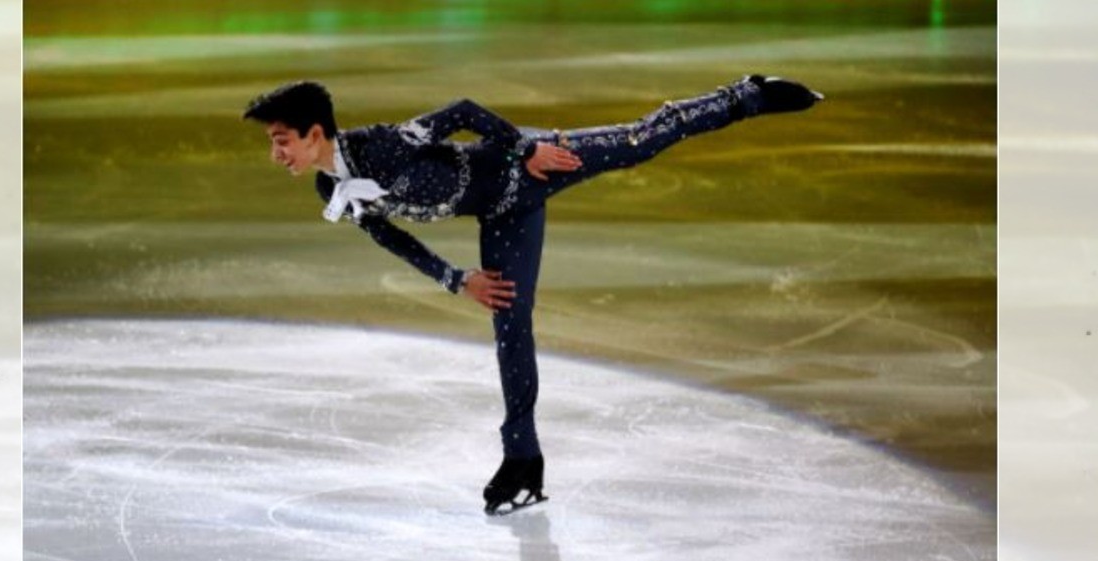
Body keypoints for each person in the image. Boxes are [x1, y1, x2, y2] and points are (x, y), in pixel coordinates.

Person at [243, 75, 822, 515]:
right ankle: (523, 459)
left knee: (638, 141)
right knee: (510, 328)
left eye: (281, 140)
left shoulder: (385, 146)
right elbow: (389, 235)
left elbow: (465, 113)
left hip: (531, 165)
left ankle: (742, 96)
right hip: (502, 215)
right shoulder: (331, 183)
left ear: (314, 133)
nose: (276, 153)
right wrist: (456, 279)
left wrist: (525, 150)